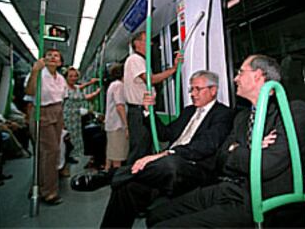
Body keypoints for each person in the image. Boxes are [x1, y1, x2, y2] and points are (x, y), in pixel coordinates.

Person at [146, 54, 305, 228]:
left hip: (263, 200)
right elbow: (221, 159)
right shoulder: (242, 117)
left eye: (240, 72)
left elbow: (265, 166)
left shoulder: (293, 111)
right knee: (156, 215)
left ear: (257, 75)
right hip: (231, 189)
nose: (235, 78)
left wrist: (238, 149)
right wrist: (253, 148)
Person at [100, 70, 234, 228]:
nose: (193, 94)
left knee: (171, 163)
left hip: (195, 169)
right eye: (191, 89)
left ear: (213, 90)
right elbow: (165, 133)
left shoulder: (223, 114)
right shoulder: (188, 111)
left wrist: (167, 153)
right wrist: (148, 111)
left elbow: (206, 145)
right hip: (168, 168)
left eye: (198, 89)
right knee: (126, 188)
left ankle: (111, 175)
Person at [124, 31, 182, 164]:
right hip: (139, 112)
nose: (151, 44)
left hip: (144, 110)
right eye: (147, 41)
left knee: (145, 147)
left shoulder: (141, 60)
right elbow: (150, 80)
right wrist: (173, 69)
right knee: (139, 149)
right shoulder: (135, 59)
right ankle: (130, 180)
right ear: (137, 44)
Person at [25, 48, 67, 205]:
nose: (52, 57)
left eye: (56, 55)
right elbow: (29, 92)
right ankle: (48, 191)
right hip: (42, 112)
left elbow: (62, 99)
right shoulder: (38, 74)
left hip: (57, 112)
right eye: (49, 55)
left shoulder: (61, 79)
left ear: (60, 62)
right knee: (50, 152)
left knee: (47, 153)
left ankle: (39, 185)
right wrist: (35, 71)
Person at [62, 66, 100, 169]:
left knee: (73, 140)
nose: (73, 78)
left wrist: (92, 84)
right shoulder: (64, 88)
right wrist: (96, 92)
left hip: (75, 117)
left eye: (75, 76)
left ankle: (69, 159)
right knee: (66, 140)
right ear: (65, 77)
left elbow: (81, 90)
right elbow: (61, 104)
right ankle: (64, 165)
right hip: (66, 117)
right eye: (70, 76)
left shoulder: (75, 87)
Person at [104, 63, 129, 171]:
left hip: (112, 124)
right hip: (117, 125)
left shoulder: (113, 84)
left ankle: (107, 171)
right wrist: (126, 125)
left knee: (112, 151)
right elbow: (120, 106)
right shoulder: (119, 85)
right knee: (117, 156)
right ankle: (116, 176)